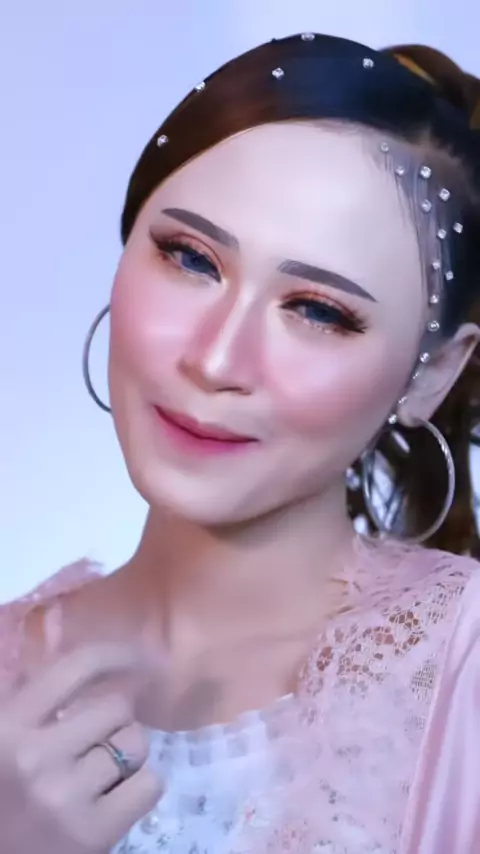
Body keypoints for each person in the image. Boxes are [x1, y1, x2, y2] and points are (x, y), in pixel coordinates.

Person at [2, 32, 480, 854]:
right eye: (190, 258)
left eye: (319, 311)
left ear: (432, 373)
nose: (217, 359)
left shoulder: (461, 669)